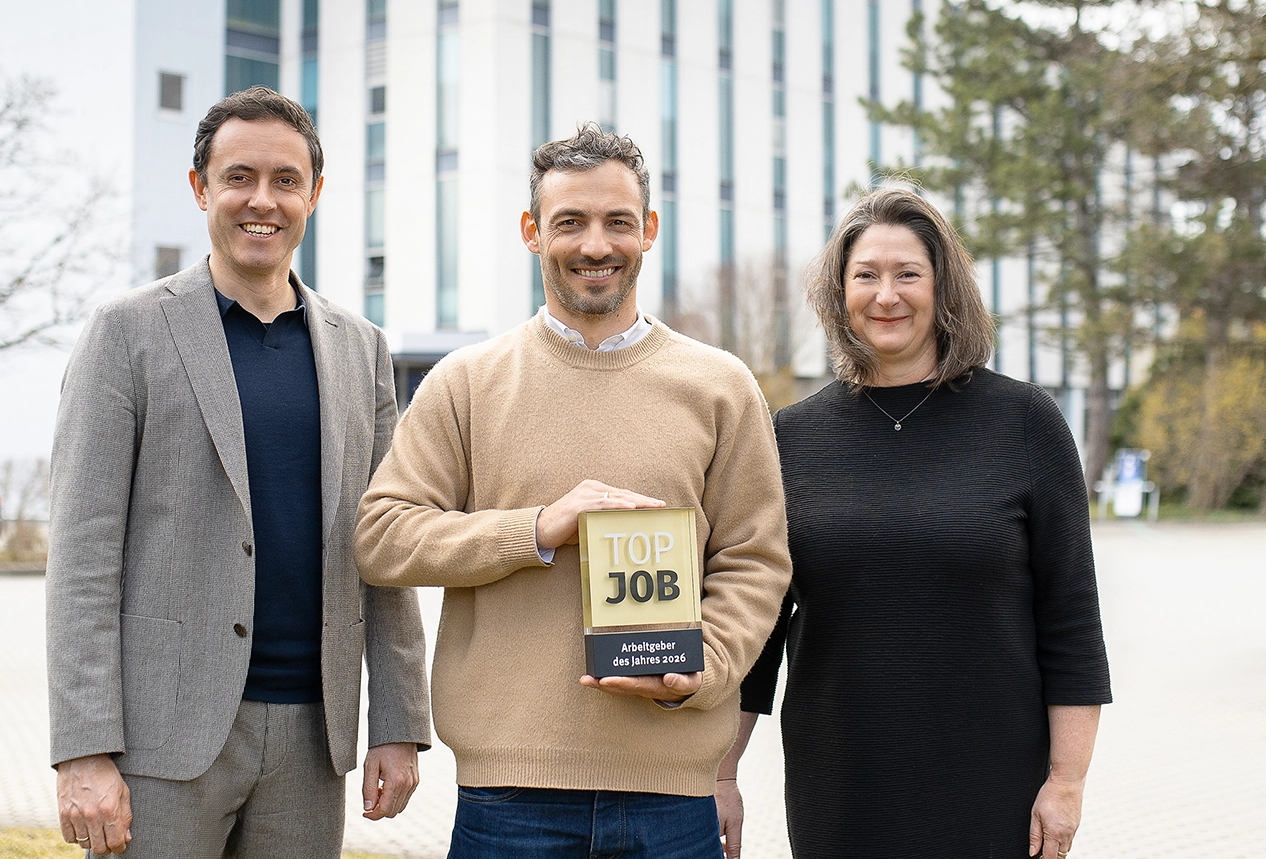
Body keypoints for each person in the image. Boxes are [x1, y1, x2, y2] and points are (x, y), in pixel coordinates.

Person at [354, 124, 791, 859]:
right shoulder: (466, 383)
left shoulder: (722, 387)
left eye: (618, 221)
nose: (596, 244)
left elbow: (756, 558)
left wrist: (703, 669)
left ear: (648, 230)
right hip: (508, 801)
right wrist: (534, 529)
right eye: (570, 222)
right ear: (533, 232)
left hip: (673, 799)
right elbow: (382, 536)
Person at [48, 87, 432, 858]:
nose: (263, 200)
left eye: (286, 180)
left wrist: (398, 722)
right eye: (239, 177)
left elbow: (383, 545)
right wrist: (83, 748)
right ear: (201, 188)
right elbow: (82, 555)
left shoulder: (360, 349)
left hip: (312, 739)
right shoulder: (126, 333)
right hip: (161, 741)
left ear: (314, 194)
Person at [722, 187, 1111, 859]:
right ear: (839, 292)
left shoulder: (1024, 422)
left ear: (943, 287)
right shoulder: (791, 437)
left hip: (991, 779)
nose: (886, 295)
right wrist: (721, 775)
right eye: (865, 275)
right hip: (839, 777)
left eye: (908, 274)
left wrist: (1068, 781)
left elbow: (1070, 619)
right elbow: (759, 627)